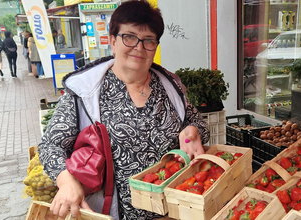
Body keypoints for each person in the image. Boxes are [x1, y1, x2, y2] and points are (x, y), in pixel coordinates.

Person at [38, 1, 209, 219]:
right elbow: (50, 145)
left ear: (155, 46)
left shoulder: (170, 86)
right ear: (112, 41)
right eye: (129, 37)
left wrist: (193, 130)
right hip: (113, 212)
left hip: (174, 211)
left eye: (148, 40)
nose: (139, 47)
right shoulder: (86, 91)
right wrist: (66, 181)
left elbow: (197, 124)